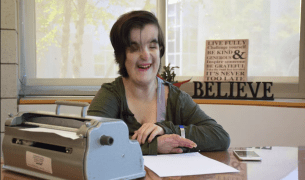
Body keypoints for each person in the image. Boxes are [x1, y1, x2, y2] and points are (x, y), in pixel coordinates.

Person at [87, 10, 230, 155]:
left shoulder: (176, 98)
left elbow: (220, 137)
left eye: (152, 46)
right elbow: (91, 143)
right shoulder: (110, 95)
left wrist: (167, 129)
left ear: (160, 50)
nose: (145, 55)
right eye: (134, 48)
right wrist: (154, 146)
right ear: (121, 56)